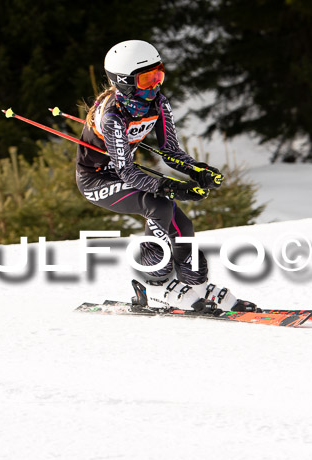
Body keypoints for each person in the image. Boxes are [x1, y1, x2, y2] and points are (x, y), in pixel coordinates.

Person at [75, 40, 254, 312]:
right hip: (98, 180)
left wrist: (197, 169)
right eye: (146, 79)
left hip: (125, 174)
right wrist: (171, 187)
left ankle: (194, 285)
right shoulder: (113, 115)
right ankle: (155, 285)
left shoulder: (158, 102)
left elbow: (170, 151)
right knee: (158, 206)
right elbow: (126, 171)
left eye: (159, 75)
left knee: (183, 226)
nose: (155, 85)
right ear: (124, 81)